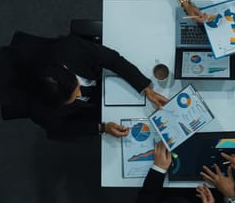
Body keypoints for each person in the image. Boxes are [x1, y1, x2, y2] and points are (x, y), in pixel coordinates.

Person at [30, 34, 168, 140]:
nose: (79, 95)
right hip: (85, 112)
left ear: (66, 68)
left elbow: (112, 59)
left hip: (101, 79)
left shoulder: (70, 48)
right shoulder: (39, 111)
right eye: (73, 97)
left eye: (76, 89)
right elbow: (63, 128)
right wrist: (102, 128)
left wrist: (146, 88)